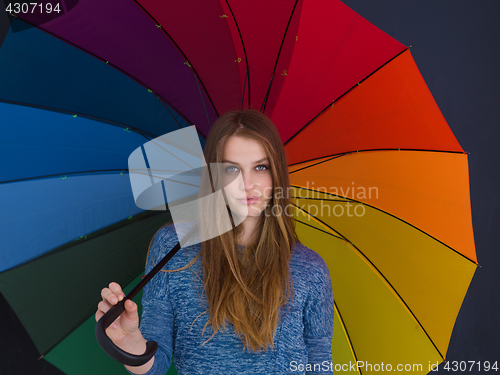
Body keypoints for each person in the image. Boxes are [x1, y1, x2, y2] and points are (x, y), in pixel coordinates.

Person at [96, 109, 334, 374]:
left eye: (261, 167)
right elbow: (157, 362)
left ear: (277, 173)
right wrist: (130, 343)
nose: (247, 183)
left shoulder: (310, 269)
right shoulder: (173, 246)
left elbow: (320, 366)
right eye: (231, 168)